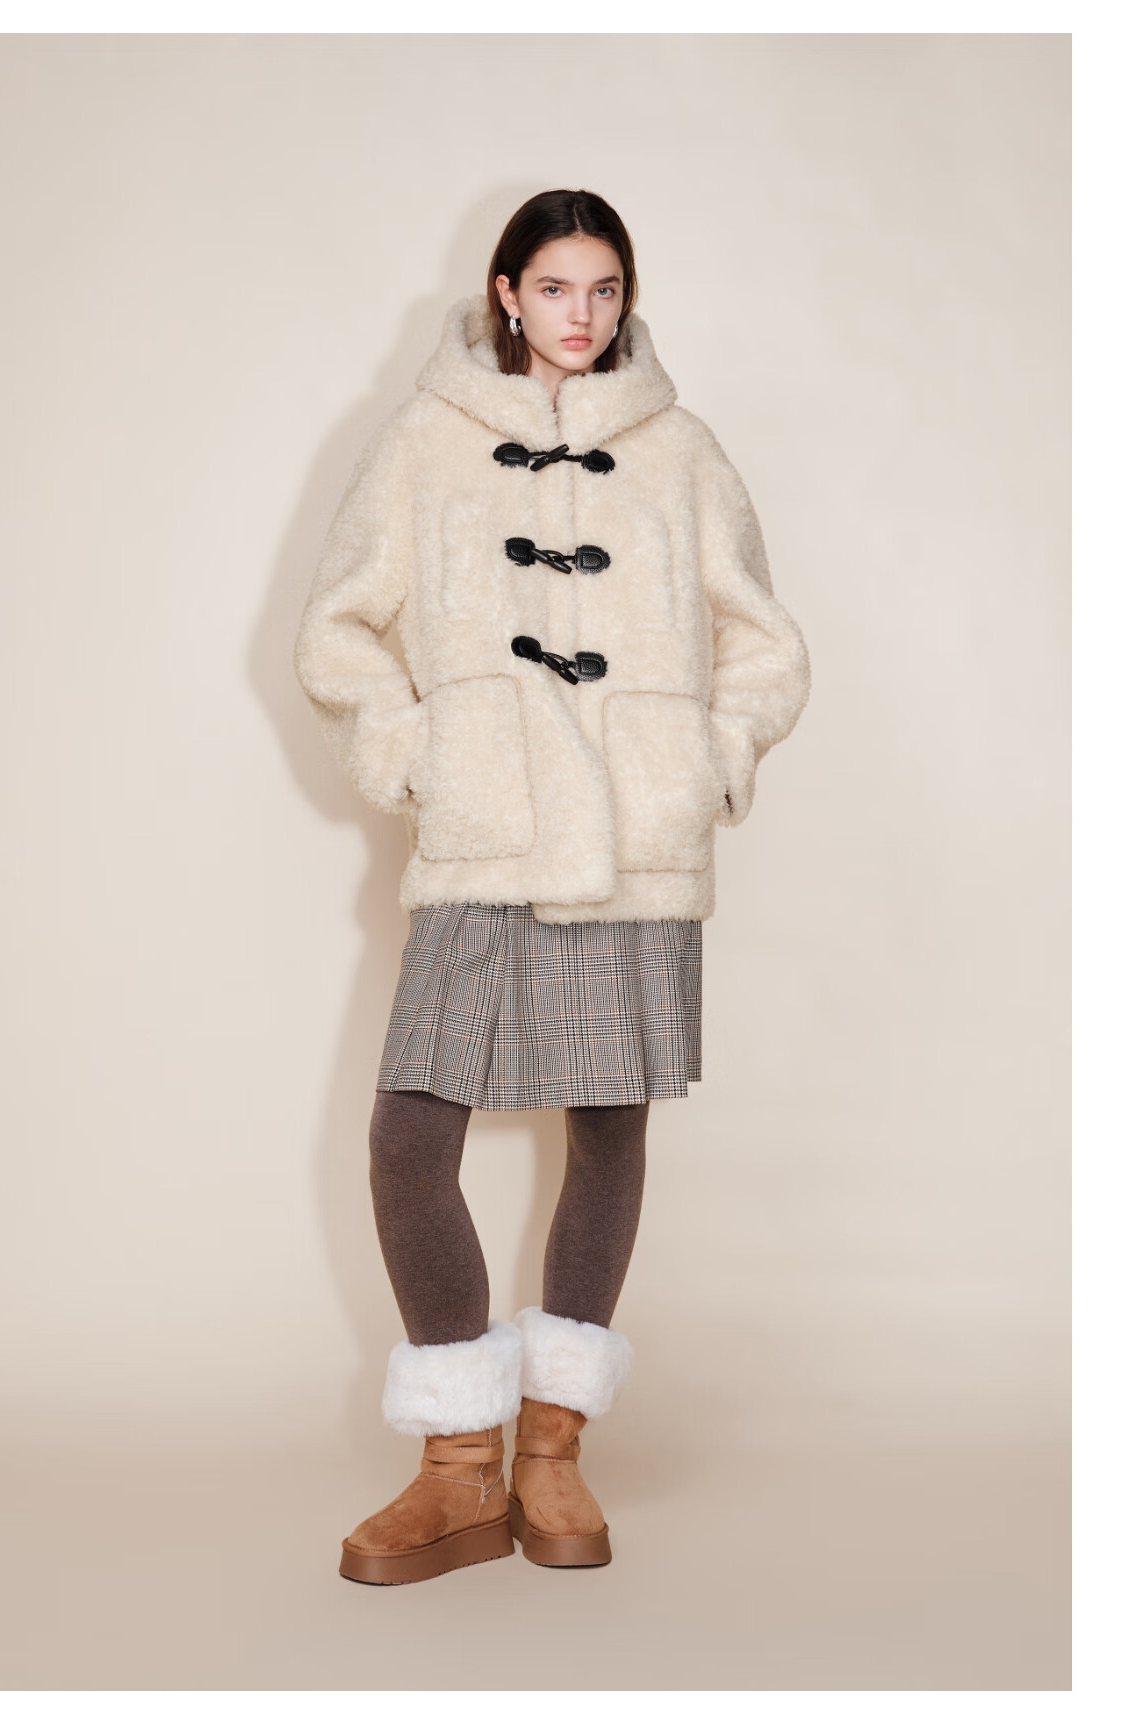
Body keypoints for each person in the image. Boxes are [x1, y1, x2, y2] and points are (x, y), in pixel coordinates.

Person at [294, 188, 811, 1585]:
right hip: (487, 825)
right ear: (506, 293)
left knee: (607, 1129)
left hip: (635, 839)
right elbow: (337, 630)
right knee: (410, 1139)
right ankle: (457, 1467)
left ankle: (551, 1452)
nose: (582, 314)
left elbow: (766, 647)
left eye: (606, 288)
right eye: (557, 287)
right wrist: (416, 753)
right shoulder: (426, 441)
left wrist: (703, 761)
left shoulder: (680, 451)